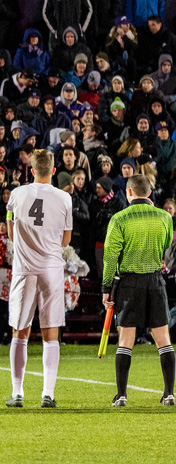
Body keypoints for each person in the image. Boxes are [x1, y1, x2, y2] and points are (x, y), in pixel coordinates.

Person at [3, 149, 72, 409]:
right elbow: (66, 239)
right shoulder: (65, 198)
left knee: (19, 331)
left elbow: (10, 231)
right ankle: (48, 393)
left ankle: (17, 393)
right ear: (53, 170)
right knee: (50, 330)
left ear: (31, 170)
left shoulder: (17, 194)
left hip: (24, 268)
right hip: (52, 269)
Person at [101, 174, 175, 407]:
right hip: (155, 281)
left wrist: (106, 289)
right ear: (150, 193)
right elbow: (165, 245)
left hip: (129, 283)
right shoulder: (165, 216)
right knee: (163, 339)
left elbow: (110, 256)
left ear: (129, 192)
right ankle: (169, 394)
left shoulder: (119, 218)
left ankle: (121, 395)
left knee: (126, 339)